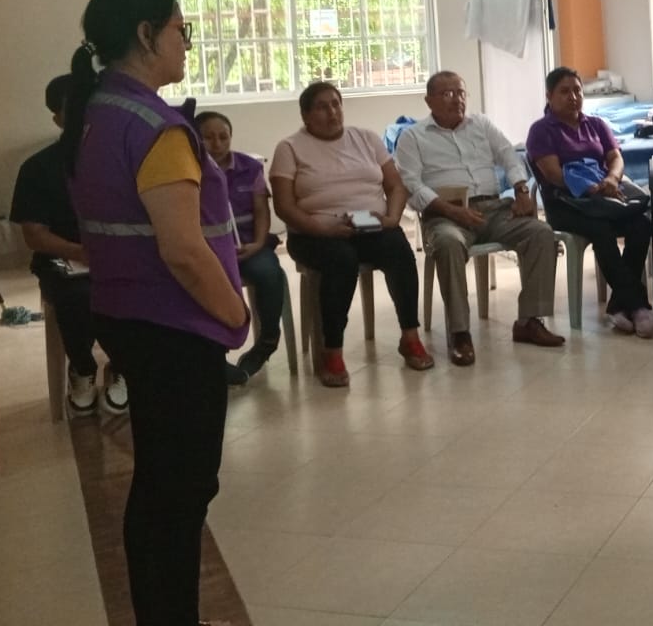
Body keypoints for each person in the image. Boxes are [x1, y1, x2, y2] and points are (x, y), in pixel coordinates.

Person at [63, 0, 274, 626]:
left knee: (155, 483)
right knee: (182, 492)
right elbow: (184, 249)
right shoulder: (156, 127)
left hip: (128, 317)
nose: (188, 41)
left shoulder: (99, 112)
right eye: (182, 29)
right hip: (174, 327)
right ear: (147, 35)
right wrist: (235, 316)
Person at [270, 81, 432, 388]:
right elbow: (284, 206)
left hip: (368, 225)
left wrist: (391, 219)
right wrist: (322, 228)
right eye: (322, 107)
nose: (332, 112)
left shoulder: (366, 138)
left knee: (398, 248)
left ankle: (410, 336)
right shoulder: (289, 148)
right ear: (306, 116)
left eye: (336, 104)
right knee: (341, 260)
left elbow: (396, 186)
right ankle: (331, 351)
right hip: (313, 234)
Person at [393, 70, 563, 358]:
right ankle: (460, 333)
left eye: (461, 92)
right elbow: (411, 185)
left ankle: (529, 321)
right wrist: (452, 211)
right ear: (429, 101)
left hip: (493, 210)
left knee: (541, 233)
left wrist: (521, 190)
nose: (456, 99)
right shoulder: (413, 137)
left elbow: (509, 154)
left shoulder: (481, 124)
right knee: (448, 243)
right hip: (445, 214)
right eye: (447, 94)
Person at [10, 74, 126, 415]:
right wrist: (80, 253)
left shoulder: (120, 157)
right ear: (57, 118)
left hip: (119, 256)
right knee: (79, 296)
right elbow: (34, 234)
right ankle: (83, 369)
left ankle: (123, 367)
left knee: (140, 289)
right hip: (63, 259)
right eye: (73, 108)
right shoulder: (38, 168)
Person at [527, 66, 653, 337]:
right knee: (601, 230)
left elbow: (615, 157)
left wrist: (611, 179)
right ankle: (638, 305)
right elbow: (553, 174)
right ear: (549, 96)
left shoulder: (596, 124)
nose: (573, 97)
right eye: (564, 91)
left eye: (577, 90)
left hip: (604, 199)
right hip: (565, 204)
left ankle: (619, 305)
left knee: (641, 225)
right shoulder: (541, 130)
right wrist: (592, 189)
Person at [195, 111, 290, 382]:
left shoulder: (250, 167)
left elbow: (261, 210)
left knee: (269, 273)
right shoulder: (189, 168)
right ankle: (216, 353)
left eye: (223, 137)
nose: (217, 143)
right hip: (209, 250)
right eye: (208, 137)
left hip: (248, 244)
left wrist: (258, 243)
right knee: (204, 283)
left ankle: (267, 341)